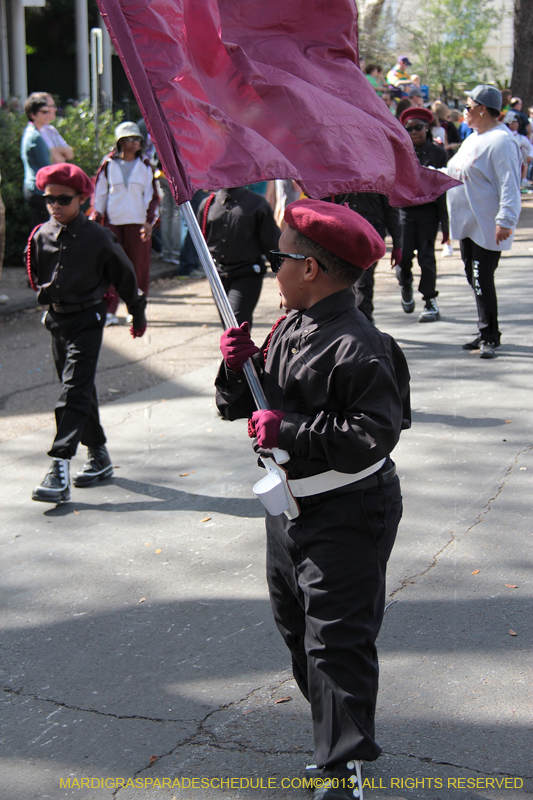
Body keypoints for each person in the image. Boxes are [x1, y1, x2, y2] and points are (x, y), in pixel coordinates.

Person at [215, 199, 410, 800]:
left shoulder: (360, 345)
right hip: (290, 506)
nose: (271, 266)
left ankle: (343, 765)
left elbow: (372, 433)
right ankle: (334, 734)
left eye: (278, 256)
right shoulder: (288, 327)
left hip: (349, 507)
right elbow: (239, 408)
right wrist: (235, 371)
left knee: (337, 639)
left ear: (309, 270)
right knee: (296, 628)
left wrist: (291, 431)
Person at [27, 164, 147, 504]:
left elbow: (125, 276)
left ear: (82, 198)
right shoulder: (41, 235)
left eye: (63, 199)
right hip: (58, 322)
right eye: (48, 199)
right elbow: (38, 277)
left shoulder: (99, 237)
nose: (55, 206)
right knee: (78, 389)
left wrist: (136, 313)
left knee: (73, 391)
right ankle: (99, 454)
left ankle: (59, 465)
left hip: (88, 321)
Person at [446, 85, 521, 358]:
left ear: (481, 108)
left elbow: (509, 183)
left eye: (467, 106)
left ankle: (489, 334)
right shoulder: (473, 138)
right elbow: (453, 170)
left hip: (487, 224)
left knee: (481, 278)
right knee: (473, 277)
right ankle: (487, 330)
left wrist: (506, 219)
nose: (464, 112)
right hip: (468, 224)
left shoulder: (501, 140)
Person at [91, 121, 160, 325]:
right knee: (111, 266)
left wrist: (149, 223)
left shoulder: (146, 165)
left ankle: (136, 309)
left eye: (137, 138)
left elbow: (153, 197)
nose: (135, 142)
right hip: (113, 222)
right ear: (120, 142)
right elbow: (100, 194)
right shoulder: (108, 164)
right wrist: (96, 219)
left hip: (138, 223)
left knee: (139, 267)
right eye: (130, 139)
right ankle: (110, 310)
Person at [198, 186, 280, 328]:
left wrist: (284, 274)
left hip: (247, 273)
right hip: (218, 276)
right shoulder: (207, 204)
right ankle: (243, 350)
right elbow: (200, 239)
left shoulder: (257, 204)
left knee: (236, 322)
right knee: (228, 325)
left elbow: (272, 243)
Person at [396, 107, 448, 321]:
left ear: (426, 128)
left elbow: (444, 187)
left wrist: (445, 225)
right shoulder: (401, 153)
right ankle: (405, 283)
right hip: (406, 212)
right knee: (404, 256)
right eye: (408, 129)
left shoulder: (438, 153)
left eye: (417, 128)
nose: (413, 132)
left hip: (429, 212)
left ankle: (429, 300)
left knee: (426, 258)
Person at [348, 193, 402, 322]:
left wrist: (397, 244)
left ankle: (363, 321)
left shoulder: (378, 178)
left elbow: (391, 211)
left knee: (363, 279)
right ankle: (353, 320)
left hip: (371, 230)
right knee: (346, 280)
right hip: (347, 229)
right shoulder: (342, 176)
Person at [20, 92, 51, 227]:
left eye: (48, 111)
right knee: (42, 232)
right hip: (37, 191)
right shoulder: (35, 137)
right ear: (33, 114)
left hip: (32, 188)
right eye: (44, 112)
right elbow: (46, 167)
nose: (47, 115)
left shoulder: (31, 132)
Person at [39, 94, 74, 164]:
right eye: (52, 106)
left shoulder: (52, 129)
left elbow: (70, 154)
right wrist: (61, 151)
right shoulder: (39, 131)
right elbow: (57, 159)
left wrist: (56, 150)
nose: (56, 109)